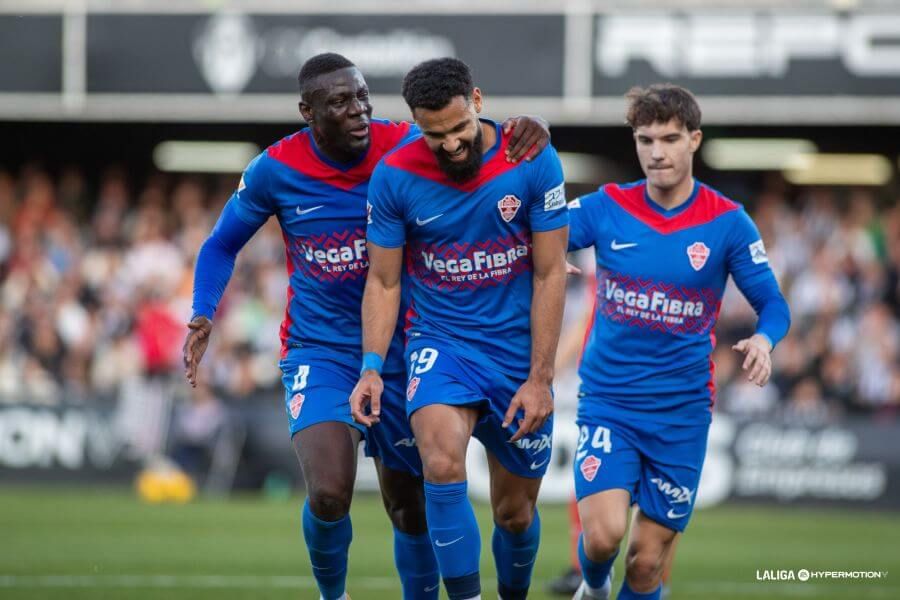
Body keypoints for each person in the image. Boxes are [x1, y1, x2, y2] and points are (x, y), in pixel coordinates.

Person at [182, 53, 550, 600]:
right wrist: (202, 311)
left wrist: (532, 130)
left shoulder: (405, 145)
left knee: (410, 507)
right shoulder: (275, 169)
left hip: (404, 349)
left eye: (361, 97)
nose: (357, 111)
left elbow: (475, 152)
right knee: (329, 492)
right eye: (339, 102)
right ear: (307, 111)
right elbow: (220, 244)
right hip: (321, 350)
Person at [350, 57, 569, 600]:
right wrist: (372, 368)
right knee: (441, 460)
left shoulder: (532, 157)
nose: (449, 145)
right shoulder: (395, 176)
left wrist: (541, 378)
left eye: (459, 130)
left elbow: (549, 272)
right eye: (434, 135)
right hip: (441, 344)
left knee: (514, 514)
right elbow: (382, 281)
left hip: (517, 356)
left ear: (477, 99)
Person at [567, 84, 791, 600]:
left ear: (694, 140)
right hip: (610, 403)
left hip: (681, 413)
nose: (656, 152)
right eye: (645, 140)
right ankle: (594, 587)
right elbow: (537, 230)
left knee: (646, 566)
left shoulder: (728, 222)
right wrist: (548, 253)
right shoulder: (606, 207)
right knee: (601, 538)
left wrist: (764, 339)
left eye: (669, 139)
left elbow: (773, 303)